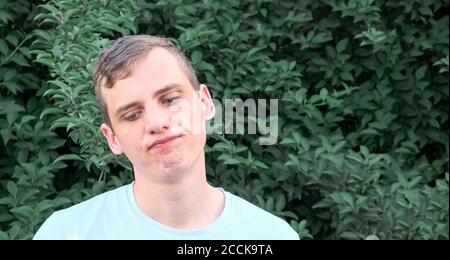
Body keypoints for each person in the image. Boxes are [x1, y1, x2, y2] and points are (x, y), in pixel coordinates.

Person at [33, 35, 299, 240]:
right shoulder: (67, 233)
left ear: (205, 103)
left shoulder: (270, 236)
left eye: (170, 100)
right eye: (132, 115)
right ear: (112, 138)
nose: (157, 123)